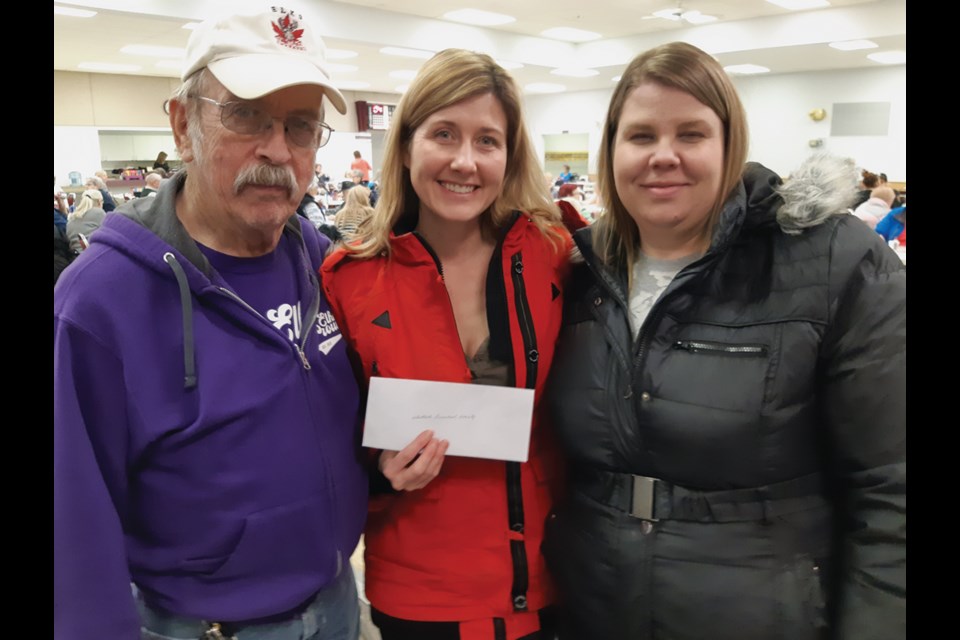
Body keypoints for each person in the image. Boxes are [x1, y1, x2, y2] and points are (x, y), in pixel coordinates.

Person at [541, 42, 906, 640]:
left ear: (730, 144)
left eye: (691, 134)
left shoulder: (832, 262)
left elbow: (891, 487)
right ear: (610, 152)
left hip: (765, 613)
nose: (664, 156)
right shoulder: (579, 273)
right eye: (640, 136)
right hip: (595, 602)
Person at [54, 6, 368, 639]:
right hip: (201, 626)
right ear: (182, 123)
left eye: (301, 127)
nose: (276, 149)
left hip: (336, 603)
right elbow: (72, 521)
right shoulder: (99, 303)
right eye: (245, 115)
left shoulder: (320, 262)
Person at [321, 48, 571, 640]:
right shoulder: (349, 278)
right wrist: (381, 474)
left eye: (487, 140)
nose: (465, 161)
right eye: (443, 134)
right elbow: (328, 440)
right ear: (406, 146)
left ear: (509, 156)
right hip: (422, 593)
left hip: (551, 579)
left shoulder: (556, 254)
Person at [65, 188, 106, 253]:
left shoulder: (71, 216)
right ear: (99, 202)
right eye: (102, 201)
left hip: (74, 256)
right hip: (93, 253)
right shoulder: (98, 213)